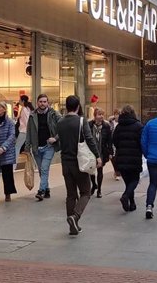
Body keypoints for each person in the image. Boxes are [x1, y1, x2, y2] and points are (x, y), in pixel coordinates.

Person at [56, 95, 102, 235]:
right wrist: (97, 156)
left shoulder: (60, 122)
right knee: (86, 192)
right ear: (77, 106)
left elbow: (59, 143)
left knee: (70, 194)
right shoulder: (81, 121)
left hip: (65, 162)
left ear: (66, 106)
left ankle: (72, 227)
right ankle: (75, 217)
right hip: (79, 162)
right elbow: (89, 139)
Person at [25, 94, 61, 201]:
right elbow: (29, 132)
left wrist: (55, 138)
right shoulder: (32, 115)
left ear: (48, 103)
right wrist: (27, 148)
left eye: (45, 101)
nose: (42, 103)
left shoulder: (54, 114)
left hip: (48, 147)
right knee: (41, 170)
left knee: (44, 169)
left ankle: (41, 191)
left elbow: (63, 126)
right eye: (40, 101)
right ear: (37, 103)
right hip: (36, 148)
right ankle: (47, 189)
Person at [112, 105, 144, 212]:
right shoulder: (138, 126)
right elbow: (142, 142)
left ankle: (132, 203)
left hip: (121, 157)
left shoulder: (118, 127)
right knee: (135, 180)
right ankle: (125, 196)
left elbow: (115, 141)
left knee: (128, 181)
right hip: (134, 157)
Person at [88, 108, 113, 198]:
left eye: (102, 114)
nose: (101, 116)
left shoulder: (106, 126)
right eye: (99, 114)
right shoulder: (89, 125)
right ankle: (94, 184)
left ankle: (99, 190)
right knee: (91, 170)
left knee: (100, 170)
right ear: (95, 115)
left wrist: (110, 152)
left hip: (102, 151)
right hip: (91, 151)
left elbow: (109, 141)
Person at [13, 95, 33, 168]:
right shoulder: (28, 108)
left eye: (20, 100)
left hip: (24, 131)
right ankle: (34, 166)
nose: (19, 101)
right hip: (26, 131)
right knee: (30, 149)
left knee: (17, 147)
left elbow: (26, 121)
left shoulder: (24, 109)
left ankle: (13, 166)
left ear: (23, 101)